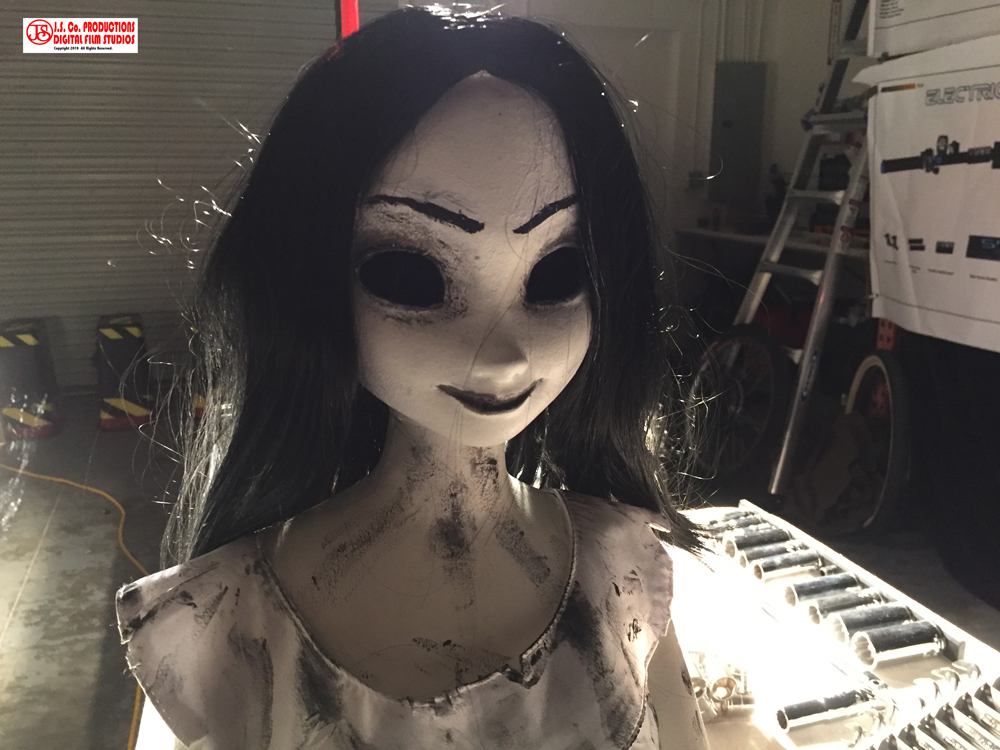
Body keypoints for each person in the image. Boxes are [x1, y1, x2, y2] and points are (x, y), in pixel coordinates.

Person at [117, 7, 709, 749]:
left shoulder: (625, 568)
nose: (502, 357)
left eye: (558, 271)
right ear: (305, 280)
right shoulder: (224, 626)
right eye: (410, 274)